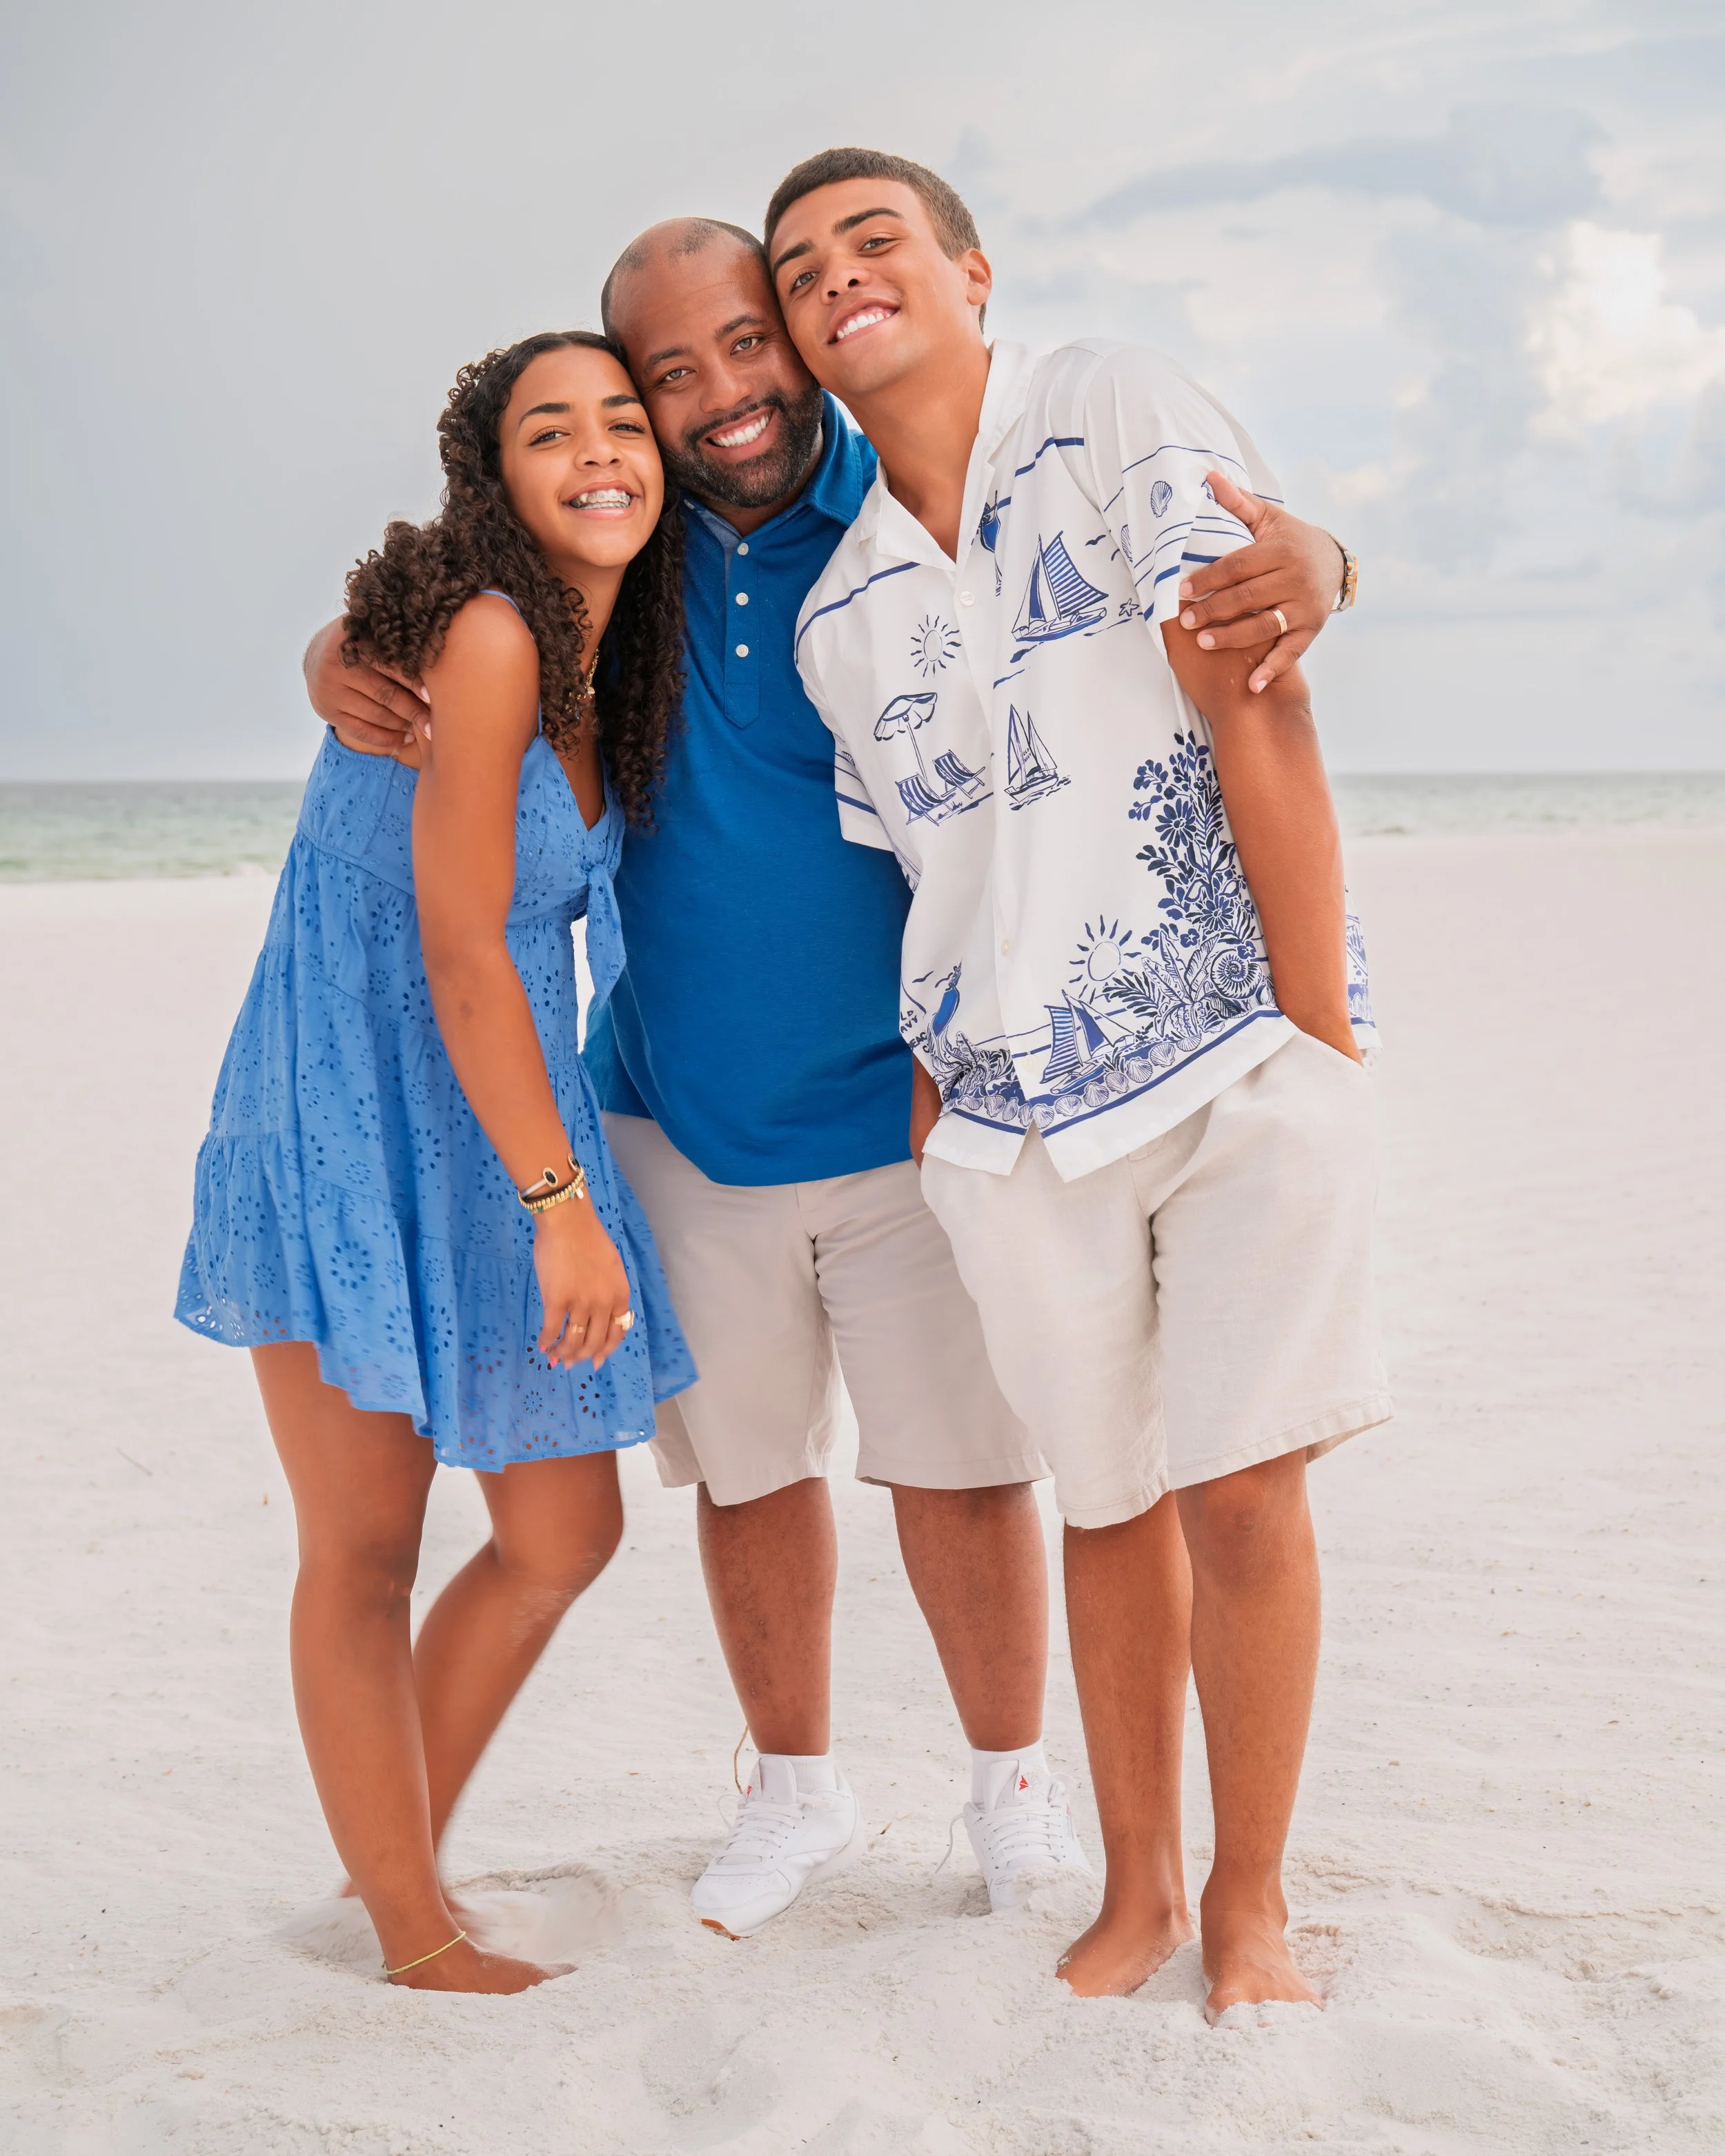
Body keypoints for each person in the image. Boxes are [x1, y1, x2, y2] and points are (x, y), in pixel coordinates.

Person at [307, 221, 1352, 1941]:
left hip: (923, 1101)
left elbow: (1164, 593)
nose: (720, 393)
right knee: (751, 1475)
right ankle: (792, 1786)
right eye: (668, 372)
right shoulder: (618, 552)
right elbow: (448, 610)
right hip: (674, 1111)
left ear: (800, 344)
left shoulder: (897, 508)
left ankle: (1010, 1783)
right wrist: (333, 654)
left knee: (961, 1468)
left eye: (747, 343)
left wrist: (1319, 554)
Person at [771, 148, 1386, 2020]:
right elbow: (920, 877)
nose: (836, 279)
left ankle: (1249, 1897)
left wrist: (1317, 1037)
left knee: (1241, 1496)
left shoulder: (1106, 403)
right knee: (1105, 1504)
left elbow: (1253, 688)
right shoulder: (835, 618)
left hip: (1226, 1060)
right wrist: (940, 1121)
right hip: (1002, 1123)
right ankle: (1130, 1889)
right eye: (799, 271)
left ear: (965, 269)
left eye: (873, 241)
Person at [177, 330, 695, 1992]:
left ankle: (390, 1856)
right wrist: (564, 1212)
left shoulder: (608, 659)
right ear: (494, 476)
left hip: (489, 1115)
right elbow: (464, 947)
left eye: (625, 421)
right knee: (366, 1543)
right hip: (350, 1114)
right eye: (554, 429)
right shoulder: (478, 638)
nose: (601, 451)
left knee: (559, 1532)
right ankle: (408, 1922)